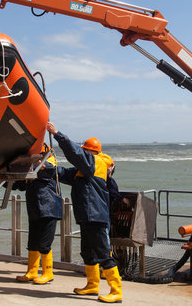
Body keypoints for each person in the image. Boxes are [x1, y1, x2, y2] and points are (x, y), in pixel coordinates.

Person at [43, 121, 123, 303]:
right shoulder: (84, 170)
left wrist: (56, 134)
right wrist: (44, 167)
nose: (84, 152)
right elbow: (62, 173)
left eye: (86, 150)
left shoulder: (96, 163)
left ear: (92, 152)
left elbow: (75, 154)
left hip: (96, 216)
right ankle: (92, 285)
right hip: (87, 216)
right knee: (87, 252)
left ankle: (116, 290)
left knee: (103, 253)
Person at [13, 146, 62, 284]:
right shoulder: (34, 168)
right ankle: (32, 271)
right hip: (35, 210)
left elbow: (47, 169)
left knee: (44, 244)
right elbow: (20, 184)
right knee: (32, 243)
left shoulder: (49, 165)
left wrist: (34, 165)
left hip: (49, 209)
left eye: (36, 155)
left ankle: (48, 272)